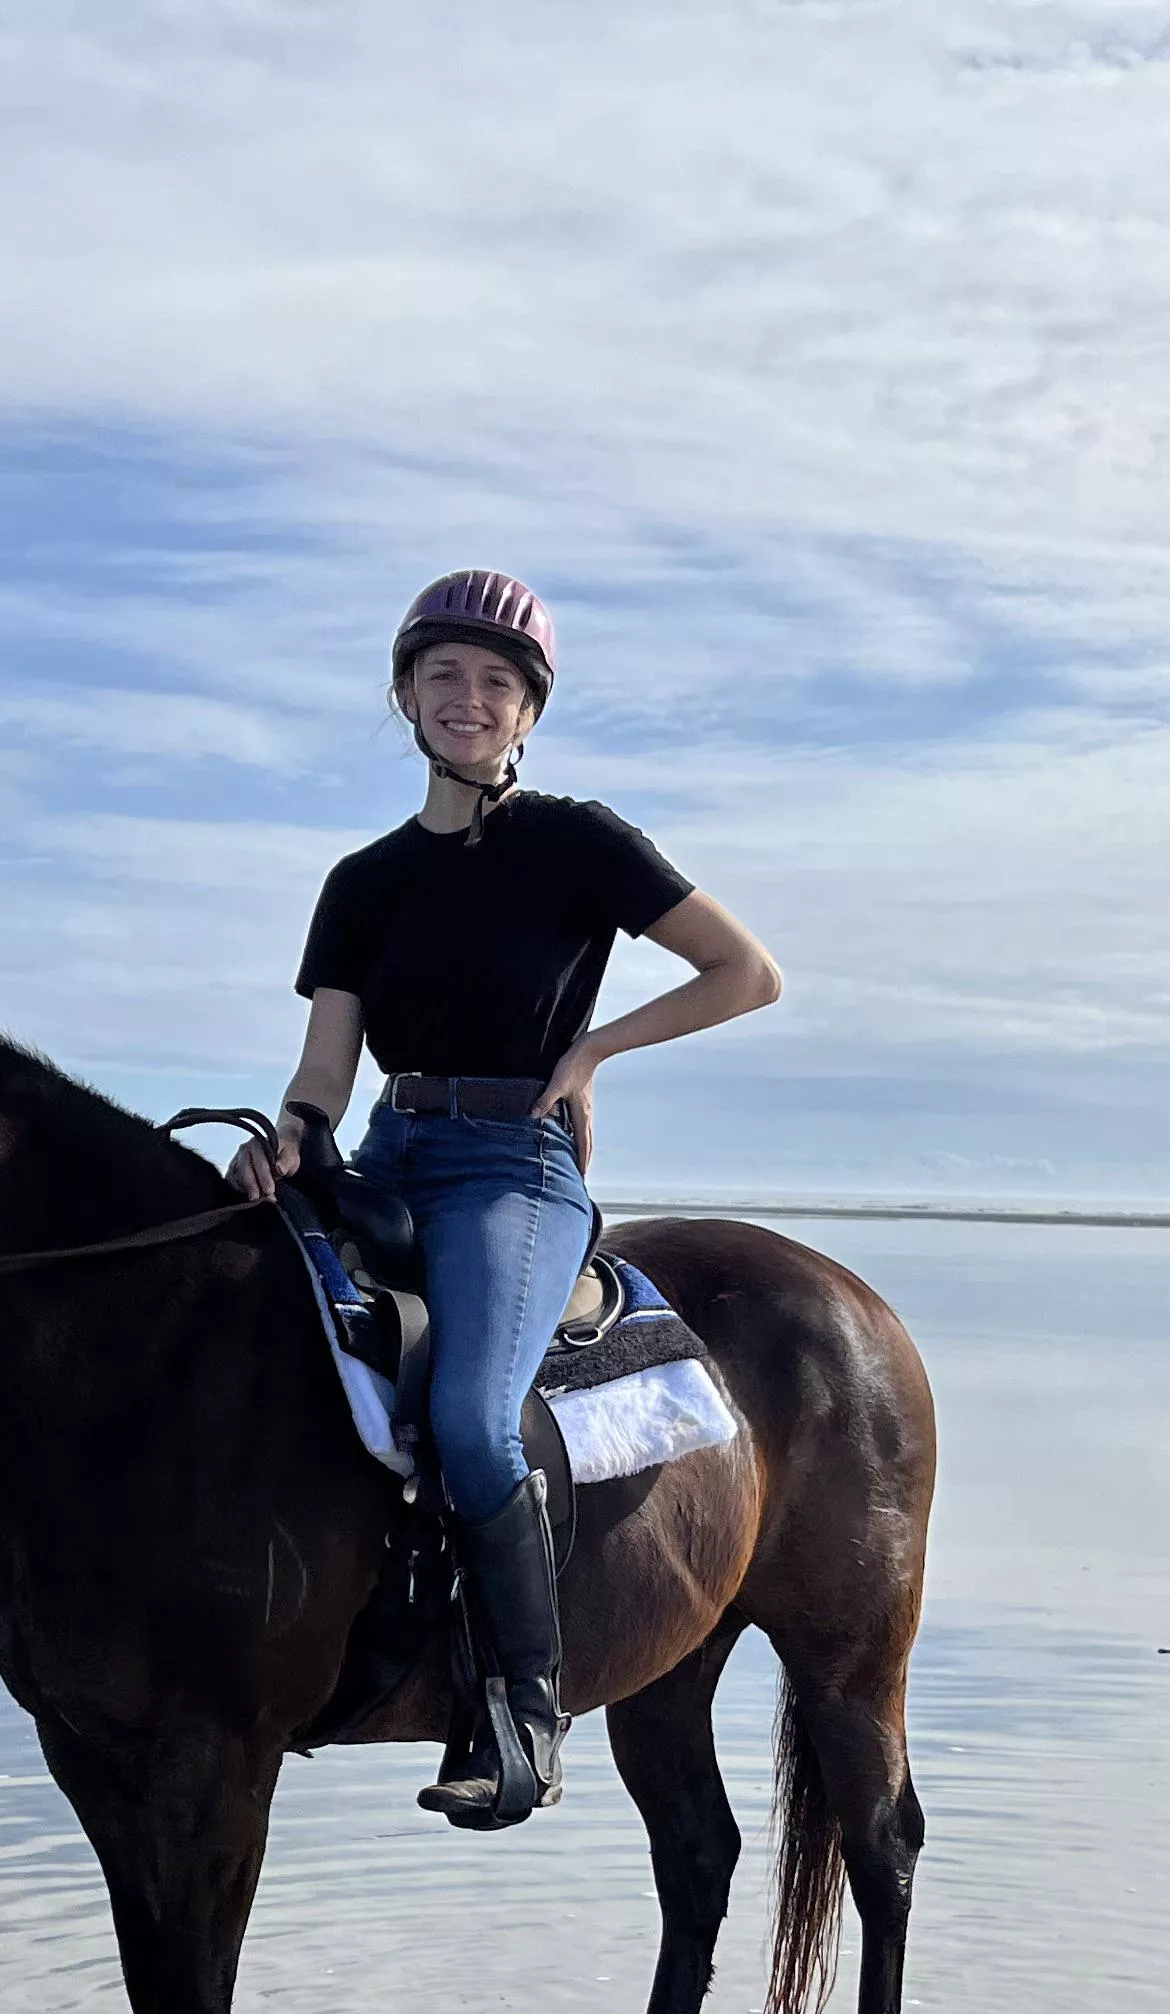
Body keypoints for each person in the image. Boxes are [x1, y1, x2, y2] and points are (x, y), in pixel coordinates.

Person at [233, 570, 783, 1827]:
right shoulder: (362, 881)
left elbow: (745, 972)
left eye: (495, 682)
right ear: (405, 699)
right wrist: (292, 1132)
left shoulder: (577, 843)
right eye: (443, 677)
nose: (467, 700)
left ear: (528, 710)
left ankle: (523, 1712)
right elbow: (326, 1063)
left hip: (512, 1168)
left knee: (477, 1424)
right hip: (386, 1152)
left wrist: (589, 1055)